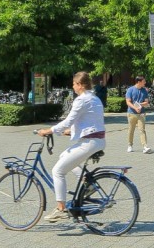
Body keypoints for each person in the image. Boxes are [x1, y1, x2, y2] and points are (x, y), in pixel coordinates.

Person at [36, 71, 106, 222]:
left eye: (74, 84)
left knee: (58, 171)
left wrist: (49, 130)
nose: (73, 87)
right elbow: (90, 121)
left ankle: (61, 209)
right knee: (64, 156)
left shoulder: (81, 100)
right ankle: (88, 183)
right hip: (96, 140)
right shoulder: (94, 98)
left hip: (89, 142)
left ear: (80, 85)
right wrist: (69, 132)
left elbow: (68, 121)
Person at [125, 75, 151, 154]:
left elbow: (146, 102)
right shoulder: (130, 90)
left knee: (142, 130)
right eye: (144, 81)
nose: (145, 82)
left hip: (141, 114)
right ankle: (130, 145)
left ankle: (145, 146)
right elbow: (128, 101)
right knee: (131, 130)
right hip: (131, 113)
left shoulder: (144, 90)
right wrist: (135, 107)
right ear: (139, 82)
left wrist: (140, 105)